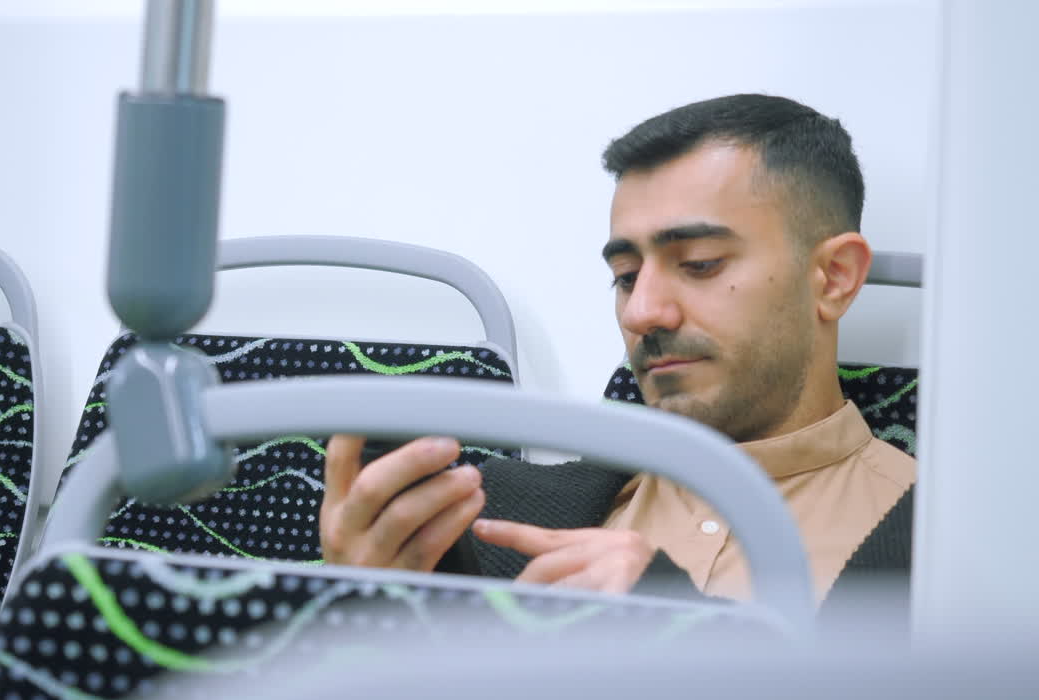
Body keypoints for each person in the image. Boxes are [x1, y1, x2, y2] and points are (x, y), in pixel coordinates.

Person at [318, 94, 916, 607]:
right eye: (626, 277)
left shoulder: (939, 548)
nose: (640, 313)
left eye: (700, 264)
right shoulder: (488, 514)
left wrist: (677, 626)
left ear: (833, 278)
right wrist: (369, 609)